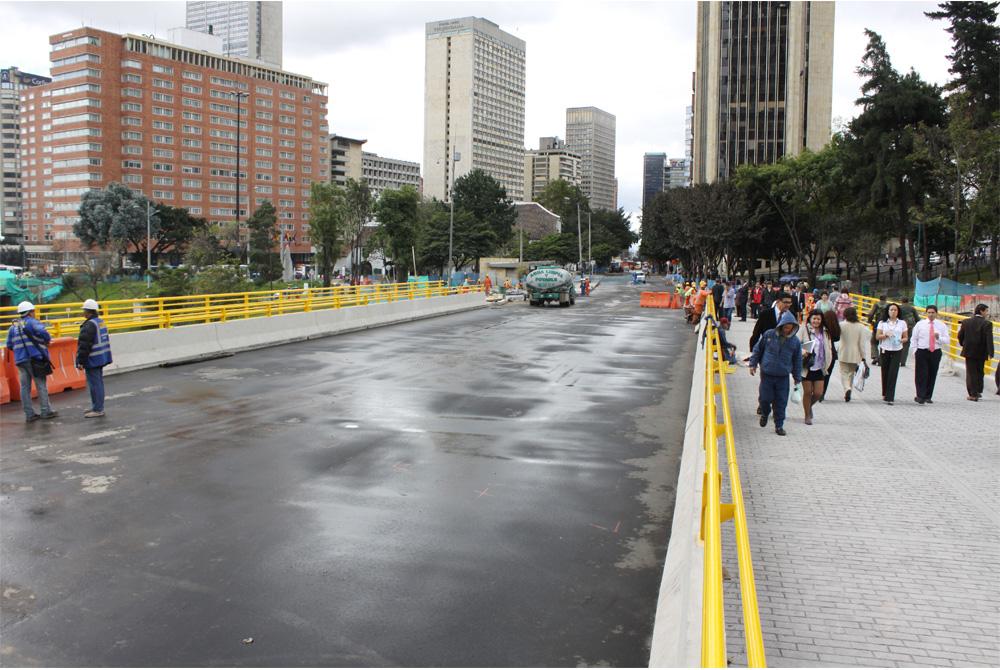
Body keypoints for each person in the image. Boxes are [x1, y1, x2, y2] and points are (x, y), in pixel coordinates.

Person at [748, 311, 803, 436]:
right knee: (765, 399)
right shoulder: (769, 335)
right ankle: (765, 413)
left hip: (783, 376)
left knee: (781, 402)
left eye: (791, 324)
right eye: (786, 324)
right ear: (781, 324)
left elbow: (797, 361)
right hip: (767, 374)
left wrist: (797, 379)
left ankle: (779, 425)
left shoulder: (795, 342)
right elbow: (758, 349)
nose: (788, 326)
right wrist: (753, 364)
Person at [5, 301, 59, 422]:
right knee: (41, 386)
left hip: (20, 360)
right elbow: (43, 332)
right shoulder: (33, 322)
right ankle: (45, 411)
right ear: (30, 313)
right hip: (34, 359)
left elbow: (9, 344)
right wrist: (45, 340)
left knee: (24, 387)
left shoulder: (14, 327)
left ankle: (29, 414)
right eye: (33, 311)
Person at [75, 298, 113, 418]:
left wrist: (81, 361)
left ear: (87, 312)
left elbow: (84, 345)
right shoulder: (100, 322)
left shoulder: (89, 325)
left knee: (95, 384)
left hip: (93, 359)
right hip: (101, 357)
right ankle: (96, 406)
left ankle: (98, 409)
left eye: (84, 311)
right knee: (98, 383)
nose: (83, 313)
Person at [910, 304, 949, 405]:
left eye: (933, 313)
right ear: (926, 313)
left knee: (932, 373)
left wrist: (938, 338)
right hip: (922, 351)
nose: (931, 314)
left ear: (936, 314)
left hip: (935, 351)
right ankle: (920, 395)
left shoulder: (941, 325)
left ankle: (928, 395)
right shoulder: (920, 324)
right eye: (929, 312)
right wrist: (915, 350)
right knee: (921, 374)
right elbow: (914, 338)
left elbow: (947, 340)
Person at [800, 309, 834, 424]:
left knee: (819, 393)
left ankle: (809, 407)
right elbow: (796, 345)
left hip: (820, 366)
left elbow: (828, 347)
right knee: (808, 392)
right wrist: (802, 352)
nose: (816, 321)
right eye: (814, 318)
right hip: (807, 366)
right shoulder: (804, 330)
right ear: (810, 319)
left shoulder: (825, 332)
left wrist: (828, 362)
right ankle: (806, 415)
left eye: (818, 319)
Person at [957, 303, 995, 401]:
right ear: (981, 311)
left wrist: (963, 344)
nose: (987, 313)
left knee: (971, 372)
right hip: (982, 351)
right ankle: (978, 391)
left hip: (969, 350)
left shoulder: (966, 322)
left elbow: (960, 335)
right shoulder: (987, 324)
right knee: (980, 371)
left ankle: (972, 393)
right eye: (986, 311)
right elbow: (989, 339)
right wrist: (991, 352)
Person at [876, 303, 909, 405]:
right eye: (891, 310)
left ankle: (890, 397)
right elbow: (878, 336)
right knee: (885, 371)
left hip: (897, 349)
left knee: (893, 372)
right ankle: (885, 392)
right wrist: (886, 335)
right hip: (885, 349)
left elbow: (906, 337)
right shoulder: (883, 323)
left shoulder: (902, 323)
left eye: (895, 310)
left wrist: (901, 340)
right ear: (888, 311)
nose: (893, 312)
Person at [838, 307, 868, 402]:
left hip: (843, 351)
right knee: (851, 373)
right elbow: (862, 343)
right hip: (855, 353)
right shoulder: (860, 326)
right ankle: (849, 388)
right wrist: (864, 357)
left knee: (843, 372)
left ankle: (847, 388)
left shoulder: (841, 325)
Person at [818, 309, 841, 401]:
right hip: (832, 353)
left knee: (819, 373)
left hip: (821, 352)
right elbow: (837, 339)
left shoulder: (821, 328)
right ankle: (822, 393)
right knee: (827, 374)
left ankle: (817, 391)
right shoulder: (835, 328)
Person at [897, 296, 918, 367]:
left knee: (898, 341)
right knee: (906, 344)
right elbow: (917, 318)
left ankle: (897, 359)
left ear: (901, 301)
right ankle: (903, 361)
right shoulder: (912, 308)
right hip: (909, 326)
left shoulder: (899, 308)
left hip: (900, 327)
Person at [867, 295, 889, 365]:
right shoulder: (888, 305)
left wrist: (871, 322)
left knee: (874, 341)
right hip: (886, 325)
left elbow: (871, 314)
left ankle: (875, 356)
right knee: (883, 341)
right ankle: (881, 359)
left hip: (877, 324)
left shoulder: (876, 305)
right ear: (886, 299)